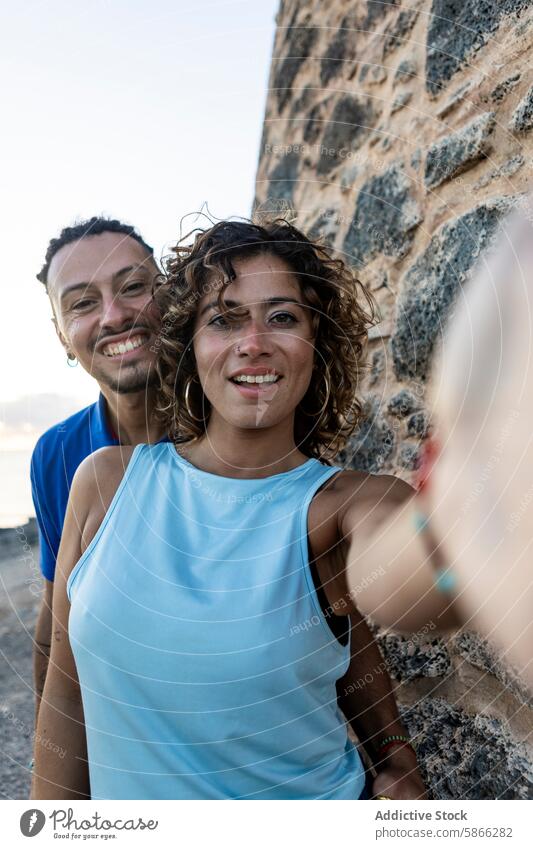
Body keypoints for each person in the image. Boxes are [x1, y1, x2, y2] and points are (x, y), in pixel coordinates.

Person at [31, 218, 428, 800]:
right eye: (224, 318)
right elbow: (65, 684)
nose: (254, 341)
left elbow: (360, 609)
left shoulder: (347, 505)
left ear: (317, 342)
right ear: (188, 340)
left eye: (283, 316)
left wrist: (393, 755)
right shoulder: (93, 477)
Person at [30, 217, 168, 731]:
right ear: (63, 335)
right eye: (82, 303)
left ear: (169, 298)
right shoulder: (56, 456)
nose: (114, 316)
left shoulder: (242, 430)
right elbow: (55, 623)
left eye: (133, 287)